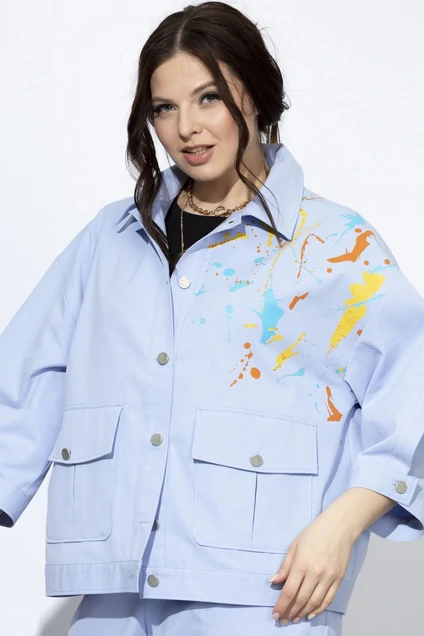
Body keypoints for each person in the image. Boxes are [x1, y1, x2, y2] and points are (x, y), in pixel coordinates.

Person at [1, 2, 424, 635]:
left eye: (208, 98)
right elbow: (23, 381)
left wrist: (339, 527)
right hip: (115, 587)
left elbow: (412, 392)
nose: (186, 128)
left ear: (253, 94)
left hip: (264, 589)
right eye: (164, 108)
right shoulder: (111, 238)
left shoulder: (335, 245)